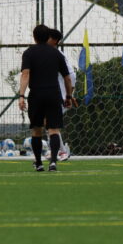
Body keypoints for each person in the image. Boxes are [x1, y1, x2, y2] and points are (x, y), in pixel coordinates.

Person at [18, 24, 76, 172]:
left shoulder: (29, 53)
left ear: (34, 37)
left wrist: (21, 95)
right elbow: (68, 78)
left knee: (36, 130)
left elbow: (25, 74)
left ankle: (38, 163)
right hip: (53, 94)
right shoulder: (57, 54)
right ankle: (53, 162)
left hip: (36, 95)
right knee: (53, 129)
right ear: (48, 37)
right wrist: (69, 96)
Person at [47, 28, 76, 161]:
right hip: (53, 94)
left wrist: (69, 94)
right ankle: (57, 150)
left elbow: (71, 75)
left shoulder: (57, 55)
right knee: (48, 122)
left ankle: (62, 151)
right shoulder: (49, 54)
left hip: (60, 96)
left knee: (50, 122)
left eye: (47, 37)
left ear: (54, 40)